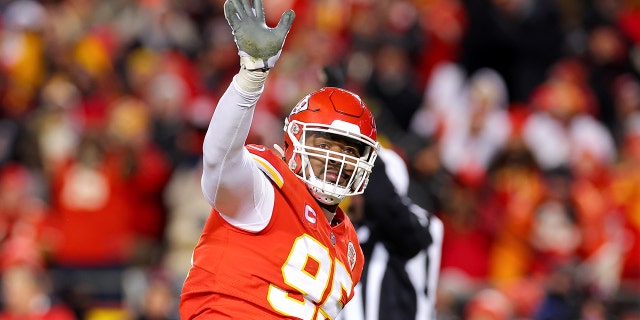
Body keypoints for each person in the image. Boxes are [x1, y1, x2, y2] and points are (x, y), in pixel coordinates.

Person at [179, 0, 380, 318]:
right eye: (326, 145)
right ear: (295, 141)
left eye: (350, 150)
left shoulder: (351, 246)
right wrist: (251, 78)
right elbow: (219, 159)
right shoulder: (267, 188)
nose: (338, 159)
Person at [338, 146, 443, 320]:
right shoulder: (350, 229)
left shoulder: (423, 225)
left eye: (361, 186)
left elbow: (383, 203)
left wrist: (363, 148)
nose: (353, 196)